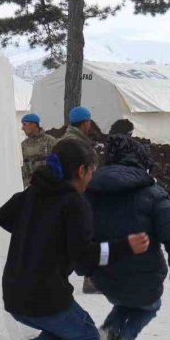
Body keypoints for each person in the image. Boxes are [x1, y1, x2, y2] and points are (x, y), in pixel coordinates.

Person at [0, 138, 149, 340]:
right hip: (44, 295)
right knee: (87, 336)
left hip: (14, 293)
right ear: (80, 171)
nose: (91, 178)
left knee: (64, 330)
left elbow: (1, 216)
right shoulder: (74, 204)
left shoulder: (32, 194)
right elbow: (85, 258)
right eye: (91, 171)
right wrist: (124, 247)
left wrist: (33, 234)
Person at [85, 119, 170, 340]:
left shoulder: (90, 189)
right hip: (145, 272)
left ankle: (106, 333)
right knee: (150, 305)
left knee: (126, 300)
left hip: (104, 272)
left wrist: (82, 264)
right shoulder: (152, 191)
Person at [60, 106, 102, 294]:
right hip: (80, 195)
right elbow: (90, 169)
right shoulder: (81, 145)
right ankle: (91, 280)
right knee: (89, 237)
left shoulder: (61, 142)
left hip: (62, 196)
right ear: (86, 123)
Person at [20, 112, 57, 186]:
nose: (22, 128)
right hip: (29, 187)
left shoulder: (50, 141)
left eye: (24, 124)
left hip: (48, 185)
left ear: (33, 125)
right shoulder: (23, 145)